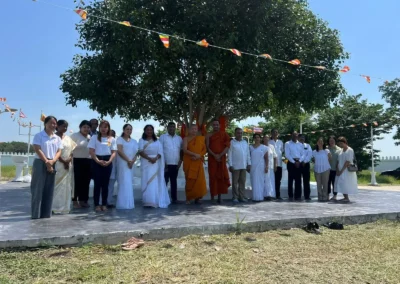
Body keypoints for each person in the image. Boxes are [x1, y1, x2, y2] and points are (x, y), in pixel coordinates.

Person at [31, 116, 63, 219]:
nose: (53, 125)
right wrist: (46, 161)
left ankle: (46, 214)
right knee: (37, 189)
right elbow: (37, 149)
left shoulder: (57, 138)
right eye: (51, 123)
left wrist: (52, 161)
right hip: (40, 162)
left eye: (54, 123)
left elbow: (59, 151)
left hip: (52, 162)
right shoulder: (39, 135)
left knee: (49, 189)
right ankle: (35, 214)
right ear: (45, 123)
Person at [88, 120, 117, 212]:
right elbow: (91, 151)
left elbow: (113, 152)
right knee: (97, 184)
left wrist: (109, 161)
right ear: (99, 128)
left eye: (105, 127)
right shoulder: (94, 137)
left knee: (105, 185)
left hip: (108, 162)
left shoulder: (111, 139)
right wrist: (97, 160)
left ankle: (104, 204)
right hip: (97, 161)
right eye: (102, 127)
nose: (103, 129)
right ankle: (97, 204)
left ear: (108, 128)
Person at [138, 125, 170, 208]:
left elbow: (160, 152)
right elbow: (140, 151)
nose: (149, 131)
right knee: (146, 181)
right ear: (144, 131)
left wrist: (155, 158)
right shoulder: (141, 140)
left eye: (151, 130)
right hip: (146, 162)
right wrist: (149, 158)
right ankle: (147, 201)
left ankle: (154, 200)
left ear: (153, 131)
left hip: (155, 163)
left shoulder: (157, 141)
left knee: (154, 182)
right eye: (147, 130)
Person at [52, 120, 77, 214]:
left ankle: (65, 207)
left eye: (66, 126)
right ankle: (55, 207)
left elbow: (72, 152)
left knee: (66, 185)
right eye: (63, 126)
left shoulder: (68, 138)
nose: (65, 128)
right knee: (56, 185)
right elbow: (54, 152)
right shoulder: (53, 138)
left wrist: (68, 160)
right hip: (57, 164)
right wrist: (63, 161)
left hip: (68, 165)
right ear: (57, 126)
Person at [206, 119, 231, 204]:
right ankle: (212, 197)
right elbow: (207, 147)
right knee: (212, 177)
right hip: (212, 159)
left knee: (221, 177)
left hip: (221, 159)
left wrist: (220, 155)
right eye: (214, 125)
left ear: (219, 125)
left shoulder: (224, 134)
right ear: (212, 126)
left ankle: (220, 197)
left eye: (217, 124)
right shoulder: (208, 135)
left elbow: (227, 146)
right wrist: (215, 155)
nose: (216, 126)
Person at [183, 124, 207, 204]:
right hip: (189, 161)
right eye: (192, 129)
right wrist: (194, 155)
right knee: (189, 180)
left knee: (199, 180)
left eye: (195, 129)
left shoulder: (200, 139)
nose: (194, 130)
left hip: (198, 161)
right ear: (189, 130)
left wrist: (199, 156)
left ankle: (198, 197)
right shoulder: (186, 139)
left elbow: (204, 149)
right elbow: (185, 150)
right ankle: (188, 198)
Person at [160, 122, 183, 204]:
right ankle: (163, 198)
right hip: (166, 164)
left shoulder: (179, 138)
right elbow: (160, 151)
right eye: (170, 127)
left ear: (175, 128)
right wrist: (164, 163)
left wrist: (180, 162)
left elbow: (181, 151)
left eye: (173, 127)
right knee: (164, 182)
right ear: (167, 128)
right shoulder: (162, 137)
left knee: (174, 182)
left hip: (176, 164)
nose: (172, 128)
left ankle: (174, 199)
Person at [116, 124, 138, 210]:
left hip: (131, 164)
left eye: (130, 129)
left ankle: (129, 203)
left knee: (129, 183)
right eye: (127, 129)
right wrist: (128, 160)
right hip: (123, 163)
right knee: (123, 182)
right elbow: (120, 151)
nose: (129, 131)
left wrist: (132, 161)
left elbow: (137, 152)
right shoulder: (120, 139)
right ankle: (123, 204)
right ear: (124, 130)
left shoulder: (134, 141)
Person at [70, 120, 91, 208]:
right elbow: (69, 149)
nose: (86, 129)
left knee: (86, 182)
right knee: (76, 181)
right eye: (84, 127)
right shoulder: (74, 136)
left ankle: (83, 200)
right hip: (76, 161)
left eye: (88, 127)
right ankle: (75, 201)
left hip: (88, 161)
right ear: (80, 127)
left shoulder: (90, 137)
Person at [228, 128, 251, 203]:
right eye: (238, 133)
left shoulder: (245, 142)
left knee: (242, 182)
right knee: (235, 183)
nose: (240, 134)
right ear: (235, 134)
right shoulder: (232, 142)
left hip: (244, 166)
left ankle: (242, 196)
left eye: (241, 133)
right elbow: (230, 154)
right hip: (235, 166)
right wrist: (230, 165)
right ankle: (235, 197)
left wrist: (249, 164)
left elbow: (248, 154)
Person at [335, 136, 358, 202]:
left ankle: (346, 197)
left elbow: (347, 161)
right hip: (340, 169)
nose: (340, 145)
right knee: (341, 183)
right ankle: (345, 197)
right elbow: (338, 160)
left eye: (341, 143)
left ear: (345, 142)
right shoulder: (341, 150)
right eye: (339, 144)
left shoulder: (350, 150)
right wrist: (337, 169)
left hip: (346, 170)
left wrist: (341, 171)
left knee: (345, 183)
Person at [285, 131, 303, 201]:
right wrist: (294, 162)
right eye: (294, 135)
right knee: (291, 179)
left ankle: (298, 195)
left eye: (296, 135)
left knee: (298, 180)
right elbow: (287, 154)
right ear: (291, 135)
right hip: (291, 162)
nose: (295, 136)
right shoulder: (287, 143)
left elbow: (302, 154)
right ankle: (290, 195)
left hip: (299, 162)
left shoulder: (300, 144)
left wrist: (299, 161)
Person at [249, 134, 269, 202]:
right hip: (253, 167)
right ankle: (255, 197)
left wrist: (266, 167)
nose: (257, 139)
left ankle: (260, 197)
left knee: (261, 181)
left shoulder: (264, 147)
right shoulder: (250, 147)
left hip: (261, 166)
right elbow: (248, 157)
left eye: (258, 137)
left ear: (260, 139)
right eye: (255, 137)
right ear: (253, 139)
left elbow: (266, 158)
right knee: (254, 181)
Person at [312, 137, 331, 201]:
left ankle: (325, 197)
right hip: (317, 169)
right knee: (318, 184)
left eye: (321, 142)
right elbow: (314, 160)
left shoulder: (326, 151)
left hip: (325, 169)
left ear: (323, 143)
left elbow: (330, 158)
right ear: (317, 143)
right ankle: (320, 197)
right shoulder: (314, 152)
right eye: (319, 142)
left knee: (325, 184)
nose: (320, 143)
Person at [269, 129, 284, 200]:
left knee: (278, 180)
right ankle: (272, 194)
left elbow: (281, 151)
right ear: (271, 134)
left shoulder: (280, 142)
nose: (275, 134)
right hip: (271, 164)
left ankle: (278, 195)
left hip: (279, 164)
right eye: (274, 132)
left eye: (276, 132)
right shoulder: (269, 142)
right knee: (272, 180)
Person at [263, 135, 277, 200]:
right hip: (263, 167)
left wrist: (275, 166)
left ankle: (270, 195)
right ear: (263, 139)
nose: (266, 138)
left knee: (271, 181)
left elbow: (275, 156)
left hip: (271, 167)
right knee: (265, 181)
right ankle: (264, 195)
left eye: (267, 137)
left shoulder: (271, 146)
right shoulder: (261, 146)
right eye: (265, 137)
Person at [299, 134, 313, 200]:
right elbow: (296, 154)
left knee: (306, 181)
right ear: (298, 138)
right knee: (298, 181)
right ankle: (298, 195)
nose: (302, 138)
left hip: (306, 164)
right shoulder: (296, 145)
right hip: (298, 164)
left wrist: (305, 161)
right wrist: (300, 161)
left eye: (303, 137)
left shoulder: (308, 145)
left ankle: (307, 196)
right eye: (301, 137)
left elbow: (310, 154)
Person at [106, 129, 118, 208]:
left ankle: (109, 201)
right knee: (103, 186)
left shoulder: (116, 142)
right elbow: (108, 150)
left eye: (113, 134)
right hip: (106, 165)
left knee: (111, 186)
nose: (111, 135)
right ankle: (102, 202)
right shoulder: (107, 142)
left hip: (114, 167)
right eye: (110, 134)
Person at [328, 136, 341, 201]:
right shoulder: (326, 149)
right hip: (327, 169)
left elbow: (340, 160)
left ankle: (335, 195)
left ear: (335, 141)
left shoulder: (339, 149)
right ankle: (327, 194)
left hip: (335, 169)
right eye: (330, 141)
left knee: (334, 183)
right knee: (327, 183)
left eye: (333, 140)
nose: (331, 142)